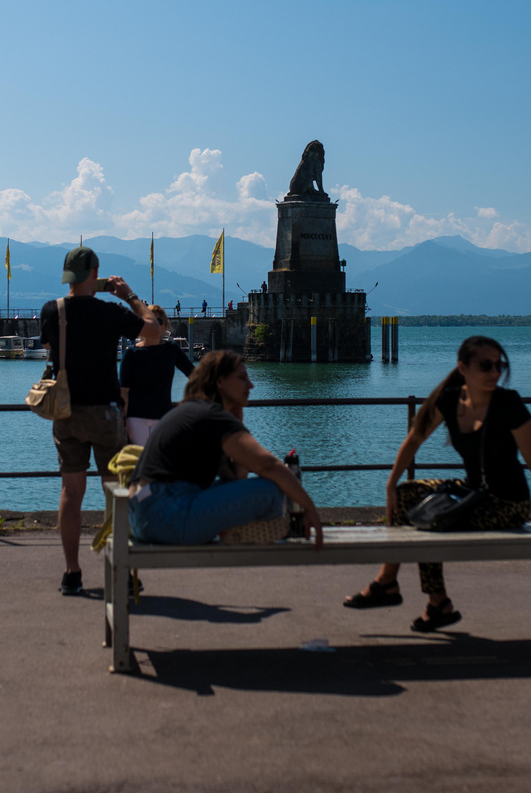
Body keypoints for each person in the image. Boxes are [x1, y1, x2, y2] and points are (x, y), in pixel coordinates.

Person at [343, 335, 531, 631]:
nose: (494, 373)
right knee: (407, 495)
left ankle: (407, 591)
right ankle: (414, 593)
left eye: (499, 366)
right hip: (472, 492)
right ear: (463, 368)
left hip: (507, 503)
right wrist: (390, 484)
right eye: (486, 365)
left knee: (432, 522)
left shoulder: (508, 404)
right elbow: (414, 440)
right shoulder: (449, 400)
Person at [41, 245, 159, 596]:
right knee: (115, 493)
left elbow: (52, 346)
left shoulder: (52, 310)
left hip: (66, 411)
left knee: (71, 492)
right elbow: (153, 332)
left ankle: (71, 573)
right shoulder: (110, 311)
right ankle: (120, 572)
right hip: (106, 412)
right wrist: (130, 296)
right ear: (96, 273)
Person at [129, 350, 323, 547]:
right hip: (166, 514)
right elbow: (268, 465)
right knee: (271, 490)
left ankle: (235, 531)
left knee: (255, 486)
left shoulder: (195, 411)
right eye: (242, 378)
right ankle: (242, 531)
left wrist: (237, 420)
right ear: (219, 382)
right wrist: (309, 507)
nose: (251, 385)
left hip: (142, 515)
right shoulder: (211, 415)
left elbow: (237, 478)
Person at [119, 305, 195, 446]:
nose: (154, 325)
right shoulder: (131, 354)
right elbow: (123, 392)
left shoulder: (171, 350)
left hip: (163, 418)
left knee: (161, 463)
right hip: (135, 419)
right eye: (149, 321)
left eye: (158, 322)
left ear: (165, 325)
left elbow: (195, 376)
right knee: (139, 463)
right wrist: (123, 422)